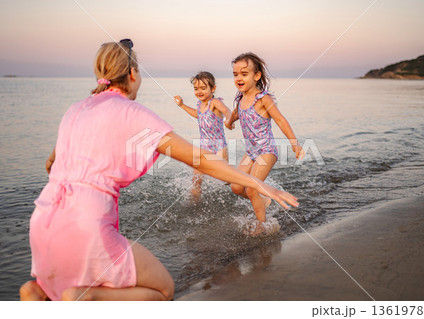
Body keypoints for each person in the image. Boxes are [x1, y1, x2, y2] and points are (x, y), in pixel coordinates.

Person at [19, 40, 299, 301]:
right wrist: (260, 184)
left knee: (41, 291)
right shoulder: (132, 113)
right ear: (132, 74)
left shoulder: (74, 110)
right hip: (87, 224)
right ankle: (87, 298)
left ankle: (39, 295)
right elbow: (200, 159)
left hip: (43, 222)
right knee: (162, 289)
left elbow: (50, 163)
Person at [225, 52, 305, 230]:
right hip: (251, 151)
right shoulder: (239, 98)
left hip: (266, 150)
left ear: (257, 76)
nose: (238, 78)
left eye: (244, 74)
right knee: (236, 187)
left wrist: (294, 143)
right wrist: (229, 122)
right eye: (235, 74)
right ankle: (264, 198)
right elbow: (237, 113)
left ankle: (262, 225)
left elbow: (281, 120)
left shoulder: (263, 99)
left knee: (252, 188)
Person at [174, 72, 231, 201]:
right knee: (196, 180)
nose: (199, 91)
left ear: (213, 89)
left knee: (227, 179)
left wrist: (228, 119)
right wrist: (182, 105)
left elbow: (227, 110)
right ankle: (194, 204)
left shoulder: (214, 102)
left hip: (219, 148)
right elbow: (197, 114)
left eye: (203, 88)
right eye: (196, 88)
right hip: (204, 148)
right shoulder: (200, 105)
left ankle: (243, 187)